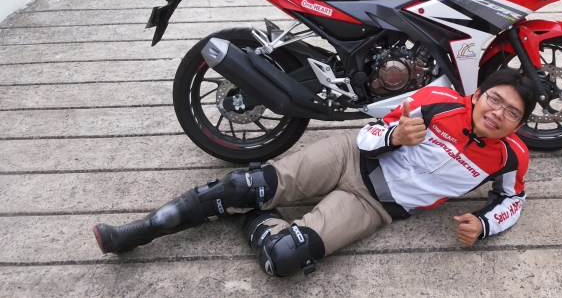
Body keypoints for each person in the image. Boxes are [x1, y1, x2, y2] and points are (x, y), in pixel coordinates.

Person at [93, 68, 536, 277]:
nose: (498, 113)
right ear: (477, 95)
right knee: (241, 185)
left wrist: (483, 225)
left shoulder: (511, 157)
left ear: (519, 125)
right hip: (350, 157)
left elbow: (512, 200)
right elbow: (367, 134)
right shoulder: (437, 104)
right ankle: (138, 232)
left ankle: (250, 215)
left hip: (375, 205)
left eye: (511, 112)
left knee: (284, 259)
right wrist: (394, 136)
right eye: (494, 99)